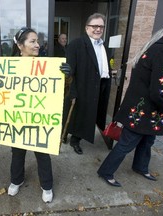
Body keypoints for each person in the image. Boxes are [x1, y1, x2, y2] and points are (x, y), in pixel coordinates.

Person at [97, 18, 163, 187]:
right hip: (144, 110)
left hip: (146, 110)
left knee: (147, 140)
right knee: (127, 143)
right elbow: (160, 90)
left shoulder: (161, 46)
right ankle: (106, 171)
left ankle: (140, 167)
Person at [5, 27, 71, 202]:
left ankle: (46, 185)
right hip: (17, 119)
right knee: (17, 153)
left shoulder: (48, 67)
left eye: (37, 41)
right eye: (32, 41)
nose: (37, 45)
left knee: (42, 153)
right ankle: (16, 180)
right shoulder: (8, 67)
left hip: (40, 119)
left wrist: (66, 77)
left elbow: (60, 93)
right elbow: (1, 97)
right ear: (20, 45)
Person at [64, 13, 111, 154]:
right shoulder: (76, 45)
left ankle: (76, 138)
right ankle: (73, 139)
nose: (98, 29)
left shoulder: (104, 46)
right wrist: (72, 92)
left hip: (99, 86)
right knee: (77, 116)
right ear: (86, 28)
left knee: (90, 115)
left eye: (101, 27)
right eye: (94, 26)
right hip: (82, 87)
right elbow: (70, 72)